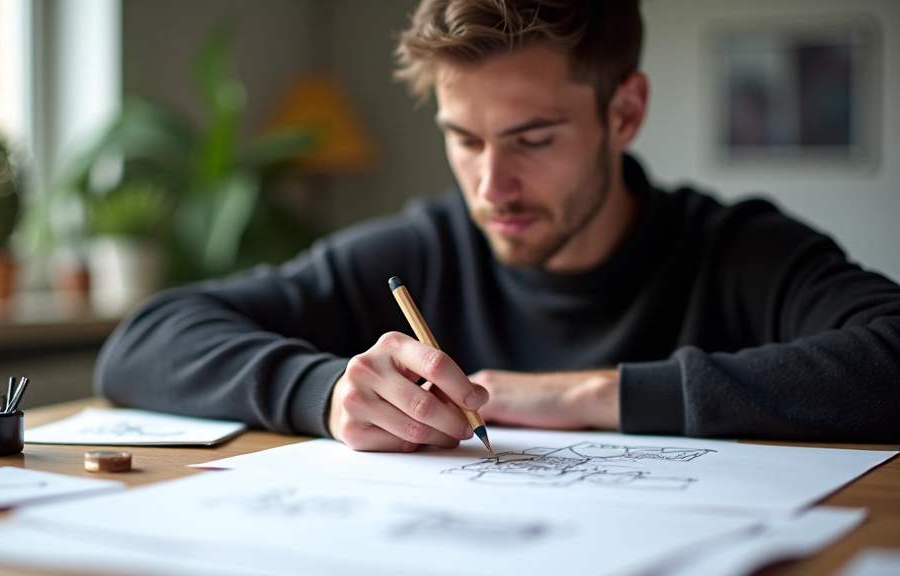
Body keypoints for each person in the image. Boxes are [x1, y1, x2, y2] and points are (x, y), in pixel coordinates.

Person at [95, 0, 900, 450]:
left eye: (532, 140)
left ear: (625, 113)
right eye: (463, 139)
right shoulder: (424, 247)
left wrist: (595, 395)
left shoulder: (737, 251)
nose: (491, 184)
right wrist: (323, 389)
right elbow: (147, 339)